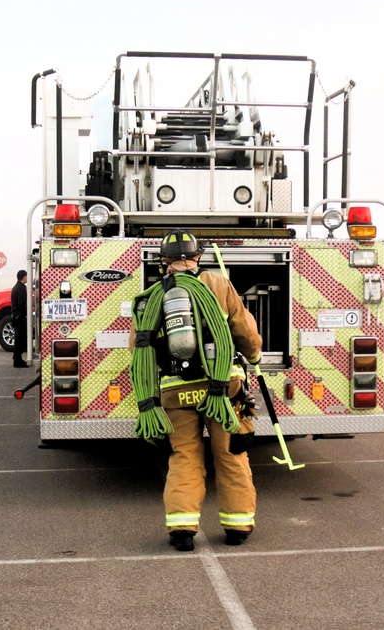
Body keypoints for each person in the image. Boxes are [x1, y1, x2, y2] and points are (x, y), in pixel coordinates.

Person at [130, 230, 263, 552]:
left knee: (184, 456)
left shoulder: (151, 297)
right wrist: (255, 355)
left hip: (175, 391)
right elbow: (244, 329)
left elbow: (138, 348)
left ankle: (182, 528)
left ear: (164, 260)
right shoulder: (218, 284)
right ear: (197, 256)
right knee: (231, 453)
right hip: (223, 389)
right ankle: (237, 526)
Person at [11, 270, 28, 368]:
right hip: (20, 317)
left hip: (17, 316)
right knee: (20, 339)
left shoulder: (17, 287)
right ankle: (17, 360)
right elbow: (22, 303)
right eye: (27, 276)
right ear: (24, 277)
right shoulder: (20, 288)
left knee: (19, 338)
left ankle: (18, 358)